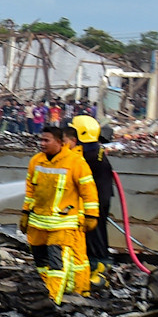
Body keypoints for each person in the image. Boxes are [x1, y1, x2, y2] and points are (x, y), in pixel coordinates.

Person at [22, 126, 99, 305]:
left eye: (46, 140)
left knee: (57, 263)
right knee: (41, 262)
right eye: (41, 140)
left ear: (60, 142)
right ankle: (46, 290)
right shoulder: (36, 161)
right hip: (38, 222)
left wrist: (91, 216)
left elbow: (89, 191)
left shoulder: (75, 162)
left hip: (62, 224)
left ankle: (52, 299)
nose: (42, 144)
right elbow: (30, 190)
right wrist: (25, 212)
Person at [70, 115, 114, 284]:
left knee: (94, 236)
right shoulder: (94, 151)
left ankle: (99, 270)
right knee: (97, 234)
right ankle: (99, 266)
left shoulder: (89, 156)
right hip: (98, 197)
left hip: (94, 201)